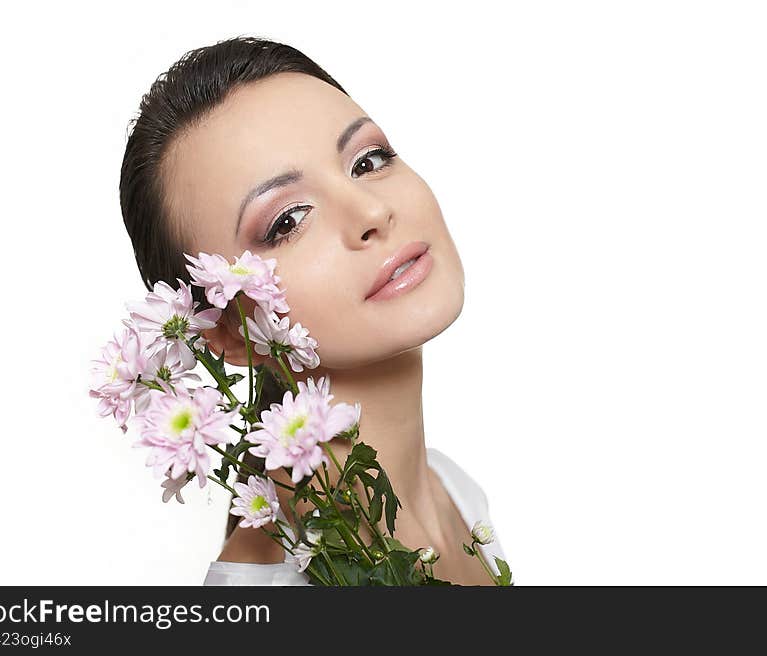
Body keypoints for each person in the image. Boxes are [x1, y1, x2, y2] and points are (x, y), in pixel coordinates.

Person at [119, 35, 508, 585]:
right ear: (227, 328)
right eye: (288, 221)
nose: (372, 210)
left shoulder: (460, 498)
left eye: (368, 161)